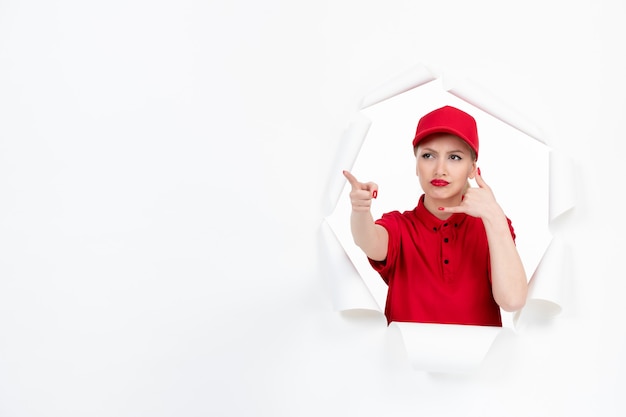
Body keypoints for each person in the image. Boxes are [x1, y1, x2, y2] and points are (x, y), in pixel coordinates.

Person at [342, 105, 527, 327]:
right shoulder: (399, 227)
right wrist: (361, 211)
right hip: (404, 359)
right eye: (428, 155)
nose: (440, 169)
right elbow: (369, 240)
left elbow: (513, 300)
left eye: (455, 157)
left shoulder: (492, 226)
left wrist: (494, 216)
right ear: (417, 165)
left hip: (479, 360)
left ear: (473, 169)